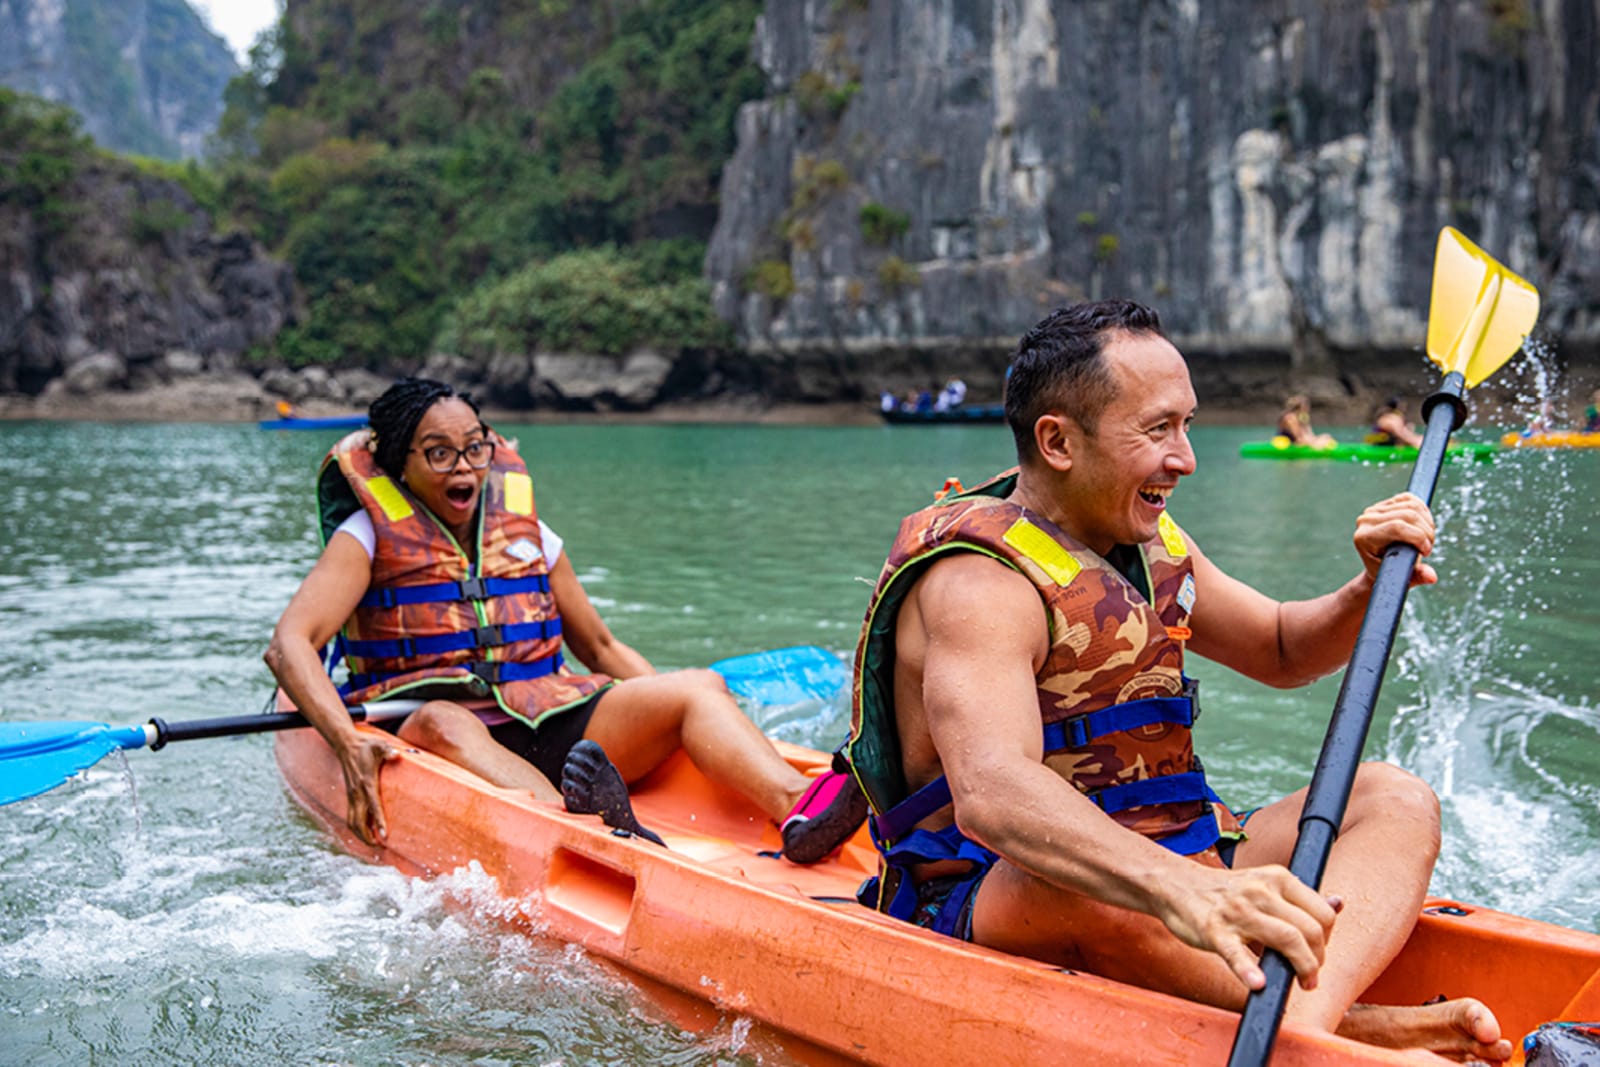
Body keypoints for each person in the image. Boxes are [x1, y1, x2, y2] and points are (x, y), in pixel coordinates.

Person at [844, 301, 1510, 1060]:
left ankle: (1309, 1025)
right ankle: (1343, 1036)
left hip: (1182, 855)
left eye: (1187, 425)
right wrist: (1190, 892)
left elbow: (1285, 646)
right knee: (1085, 889)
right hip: (1005, 892)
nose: (1186, 457)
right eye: (1157, 429)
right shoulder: (980, 583)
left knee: (1393, 796)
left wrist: (1364, 587)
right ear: (1058, 440)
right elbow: (994, 793)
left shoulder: (1150, 540)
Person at [264, 377, 866, 862]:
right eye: (439, 454)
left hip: (548, 720)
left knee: (696, 686)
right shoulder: (367, 535)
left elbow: (600, 646)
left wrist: (668, 714)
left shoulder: (528, 532)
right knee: (443, 719)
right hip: (446, 732)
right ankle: (580, 825)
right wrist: (344, 741)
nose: (464, 469)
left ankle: (800, 808)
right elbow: (290, 645)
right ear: (401, 464)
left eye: (475, 448)